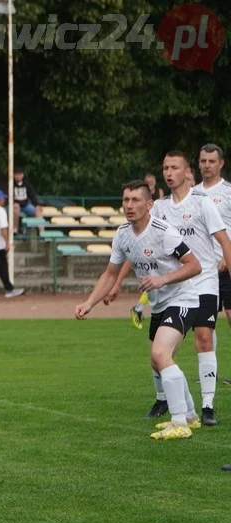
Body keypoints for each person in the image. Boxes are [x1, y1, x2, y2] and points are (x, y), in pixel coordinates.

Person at [106, 151, 231, 425]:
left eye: (174, 167)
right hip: (170, 288)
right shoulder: (158, 207)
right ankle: (166, 400)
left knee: (204, 337)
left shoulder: (203, 204)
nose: (169, 172)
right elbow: (135, 248)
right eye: (165, 167)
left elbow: (224, 240)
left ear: (187, 172)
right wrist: (116, 283)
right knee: (162, 352)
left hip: (203, 279)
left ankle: (207, 405)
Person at [76, 179, 202, 440]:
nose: (129, 205)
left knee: (160, 353)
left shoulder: (164, 231)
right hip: (159, 304)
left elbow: (194, 265)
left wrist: (162, 280)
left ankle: (179, 423)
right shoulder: (122, 234)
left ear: (149, 204)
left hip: (183, 298)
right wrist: (89, 303)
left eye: (135, 200)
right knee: (158, 362)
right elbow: (110, 273)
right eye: (125, 200)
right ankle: (190, 414)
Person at [191, 144, 231, 382]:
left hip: (226, 266)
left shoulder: (228, 192)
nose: (207, 165)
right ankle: (211, 374)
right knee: (206, 324)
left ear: (221, 164)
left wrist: (227, 257)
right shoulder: (193, 194)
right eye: (203, 161)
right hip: (203, 271)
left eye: (211, 161)